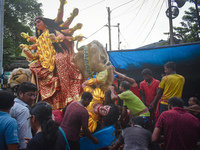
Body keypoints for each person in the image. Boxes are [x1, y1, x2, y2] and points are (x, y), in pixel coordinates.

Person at [20, 0, 84, 110]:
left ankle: (69, 95)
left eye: (38, 21)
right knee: (32, 66)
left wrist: (55, 39)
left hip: (58, 54)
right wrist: (29, 53)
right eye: (35, 24)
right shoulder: (39, 39)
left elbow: (62, 37)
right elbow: (38, 55)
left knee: (60, 60)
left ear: (44, 22)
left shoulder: (52, 30)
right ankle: (50, 83)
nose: (36, 24)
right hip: (46, 63)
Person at [9, 81, 38, 150]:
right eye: (30, 95)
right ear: (21, 93)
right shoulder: (23, 110)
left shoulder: (12, 105)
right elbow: (24, 133)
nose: (33, 98)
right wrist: (25, 147)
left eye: (34, 95)